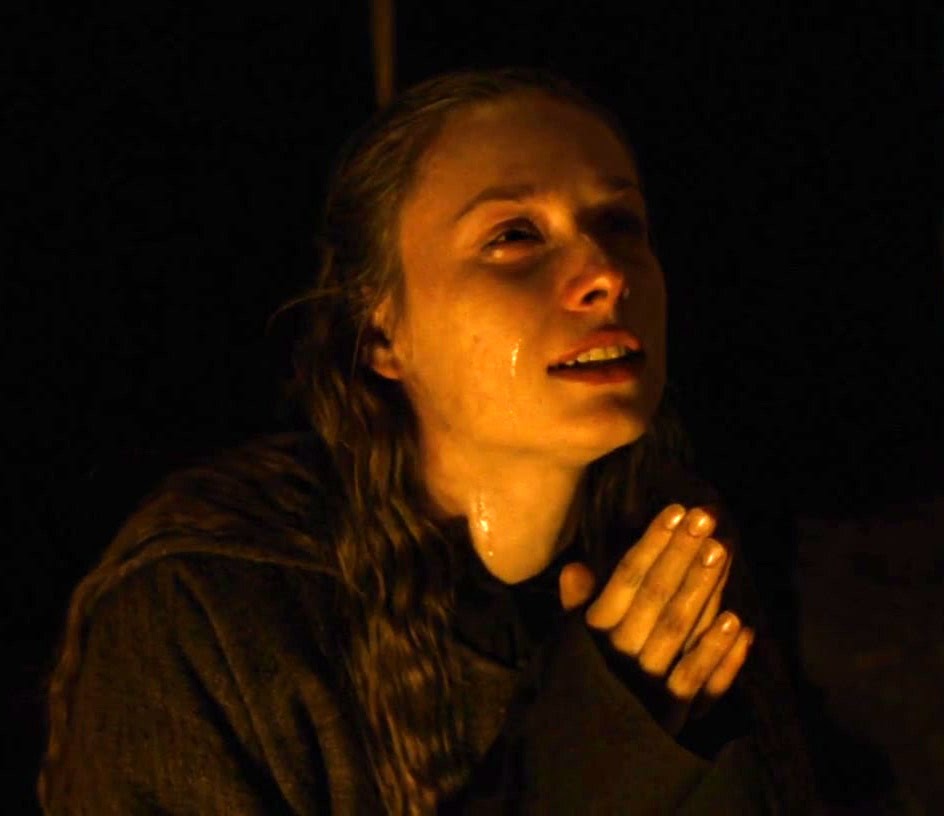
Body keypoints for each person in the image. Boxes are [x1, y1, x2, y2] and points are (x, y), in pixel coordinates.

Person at [39, 68, 815, 814]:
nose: (606, 272)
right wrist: (586, 763)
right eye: (514, 236)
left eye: (620, 224)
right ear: (383, 331)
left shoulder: (671, 545)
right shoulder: (213, 603)